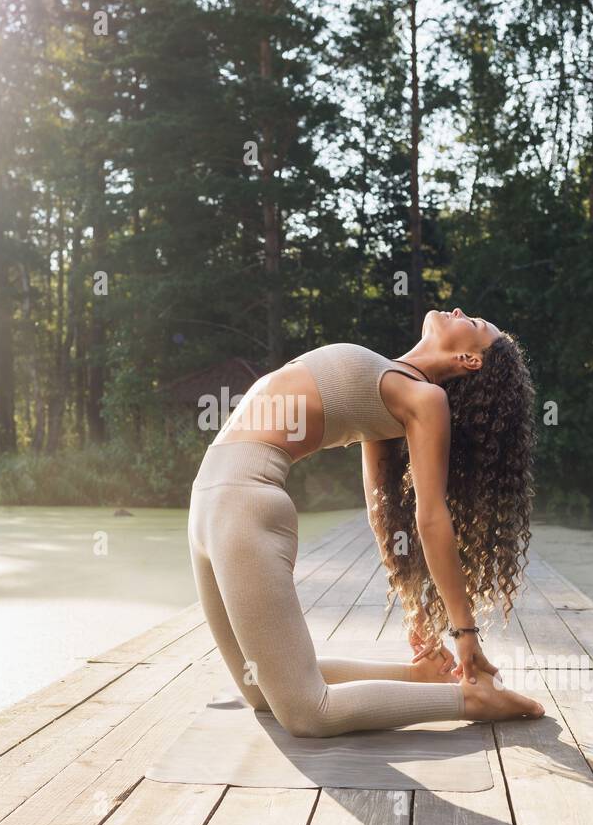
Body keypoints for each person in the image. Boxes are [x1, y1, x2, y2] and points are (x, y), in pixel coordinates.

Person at [187, 308, 546, 738]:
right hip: (207, 503)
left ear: (471, 360)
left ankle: (472, 699)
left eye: (474, 324)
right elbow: (382, 512)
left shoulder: (425, 399)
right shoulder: (388, 378)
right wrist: (415, 606)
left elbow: (431, 516)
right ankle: (423, 678)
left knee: (307, 714)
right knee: (258, 688)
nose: (458, 312)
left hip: (244, 504)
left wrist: (463, 631)